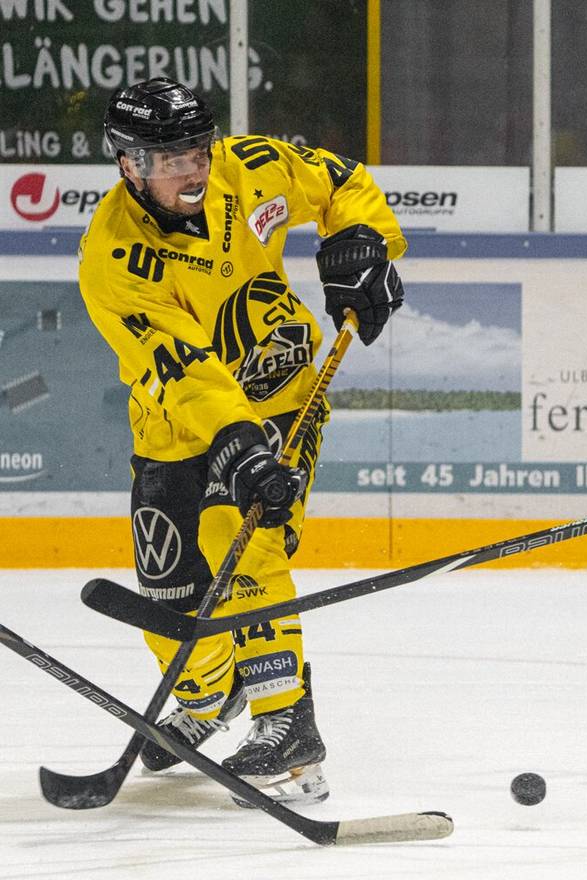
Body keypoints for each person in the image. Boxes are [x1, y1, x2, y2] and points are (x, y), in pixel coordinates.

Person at [78, 77, 405, 805]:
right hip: (177, 419)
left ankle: (286, 724)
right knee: (167, 578)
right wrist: (234, 440)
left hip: (285, 393)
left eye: (196, 148)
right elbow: (185, 373)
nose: (191, 169)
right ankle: (206, 693)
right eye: (168, 159)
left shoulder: (247, 169)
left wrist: (364, 240)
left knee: (242, 533)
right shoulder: (114, 260)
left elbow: (342, 181)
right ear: (128, 165)